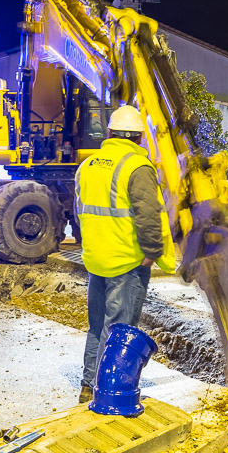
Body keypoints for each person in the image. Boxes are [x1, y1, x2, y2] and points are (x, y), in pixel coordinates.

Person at [74, 104, 177, 402]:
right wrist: (153, 252)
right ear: (141, 138)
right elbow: (149, 216)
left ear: (109, 133)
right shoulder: (137, 167)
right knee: (120, 330)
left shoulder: (89, 165)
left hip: (96, 259)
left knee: (97, 328)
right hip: (126, 262)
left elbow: (79, 211)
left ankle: (87, 386)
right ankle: (109, 394)